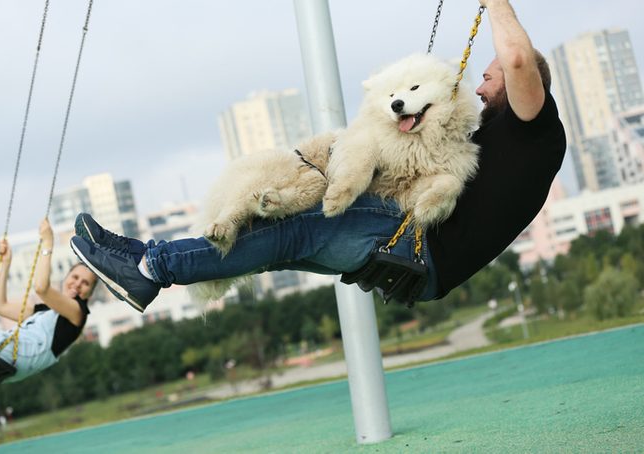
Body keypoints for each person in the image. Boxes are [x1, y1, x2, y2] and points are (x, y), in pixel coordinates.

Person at [69, 0, 565, 312]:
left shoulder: (535, 130)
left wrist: (495, 4)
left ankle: (151, 268)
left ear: (527, 86)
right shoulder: (502, 132)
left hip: (413, 245)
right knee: (270, 237)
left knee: (290, 226)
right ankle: (142, 260)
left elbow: (519, 58)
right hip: (414, 257)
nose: (478, 85)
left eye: (489, 76)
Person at [0, 219, 98, 383]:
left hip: (20, 354)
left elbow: (41, 288)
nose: (77, 284)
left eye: (86, 283)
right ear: (66, 278)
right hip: (11, 352)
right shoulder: (44, 311)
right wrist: (5, 263)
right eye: (75, 277)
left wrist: (48, 241)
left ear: (89, 294)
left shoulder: (77, 313)